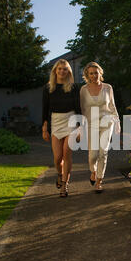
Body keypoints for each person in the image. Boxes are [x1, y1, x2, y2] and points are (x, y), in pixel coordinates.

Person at [42, 59, 81, 197]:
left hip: (71, 121)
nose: (62, 71)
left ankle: (64, 185)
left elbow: (78, 107)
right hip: (55, 122)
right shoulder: (48, 88)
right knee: (58, 158)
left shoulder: (74, 87)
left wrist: (80, 127)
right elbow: (45, 108)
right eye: (59, 69)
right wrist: (44, 128)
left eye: (65, 69)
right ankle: (59, 173)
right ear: (55, 71)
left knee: (66, 153)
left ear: (68, 71)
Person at [80, 62, 120, 193]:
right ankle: (93, 171)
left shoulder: (108, 87)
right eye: (91, 73)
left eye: (96, 72)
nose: (94, 75)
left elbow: (112, 106)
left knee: (103, 152)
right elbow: (82, 109)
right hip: (91, 123)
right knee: (93, 155)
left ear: (100, 73)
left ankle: (99, 181)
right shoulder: (83, 90)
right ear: (87, 75)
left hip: (107, 123)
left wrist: (117, 122)